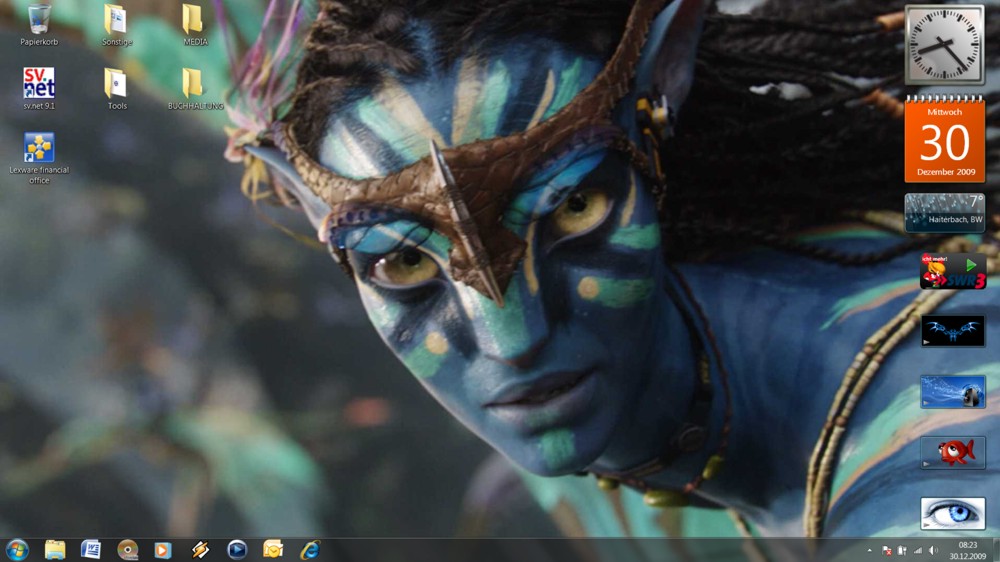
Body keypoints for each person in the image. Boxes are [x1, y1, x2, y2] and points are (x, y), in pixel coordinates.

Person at [223, 0, 999, 538]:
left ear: (663, 84)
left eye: (573, 209)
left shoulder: (947, 411)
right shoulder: (602, 479)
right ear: (304, 205)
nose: (512, 340)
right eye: (400, 260)